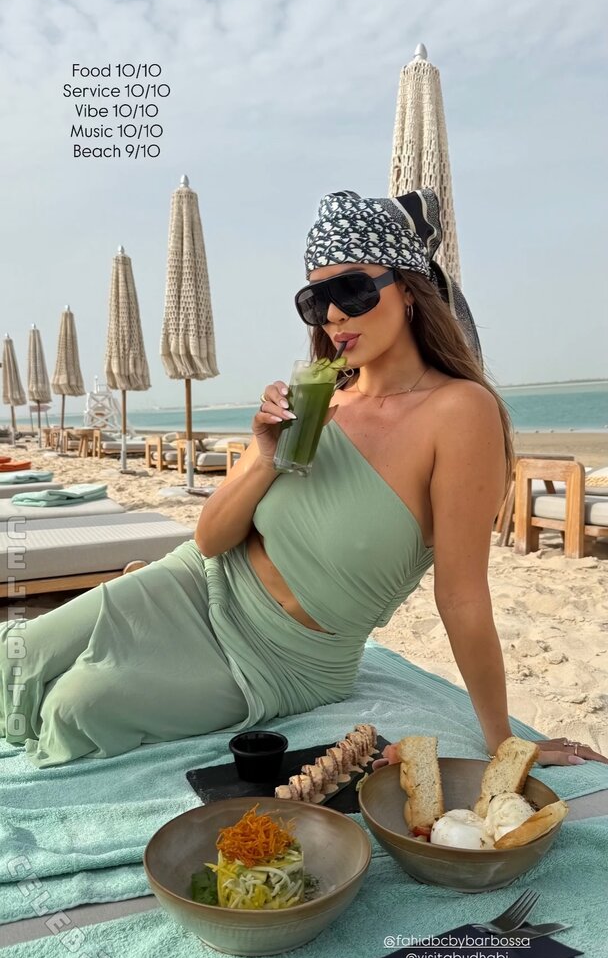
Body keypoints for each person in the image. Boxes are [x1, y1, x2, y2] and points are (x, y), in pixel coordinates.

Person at [1, 188, 605, 770]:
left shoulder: (461, 412)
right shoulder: (319, 398)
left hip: (286, 657)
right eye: (316, 300)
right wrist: (266, 453)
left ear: (409, 289)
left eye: (353, 290)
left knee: (74, 710)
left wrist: (503, 739)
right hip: (195, 583)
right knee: (22, 656)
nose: (334, 314)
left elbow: (462, 594)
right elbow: (209, 540)